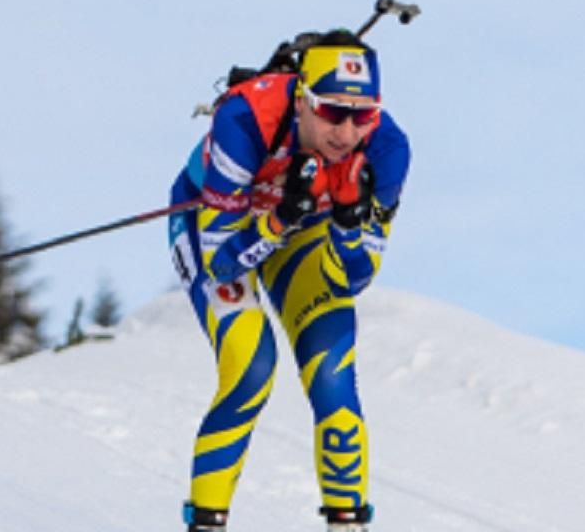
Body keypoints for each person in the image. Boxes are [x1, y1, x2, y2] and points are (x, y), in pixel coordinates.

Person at [168, 30, 411, 532]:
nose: (345, 132)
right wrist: (276, 220)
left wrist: (346, 221)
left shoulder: (387, 151)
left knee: (333, 381)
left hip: (300, 230)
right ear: (301, 99)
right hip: (219, 227)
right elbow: (221, 263)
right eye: (330, 111)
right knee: (251, 369)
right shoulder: (244, 120)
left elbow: (356, 277)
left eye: (362, 114)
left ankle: (348, 524)